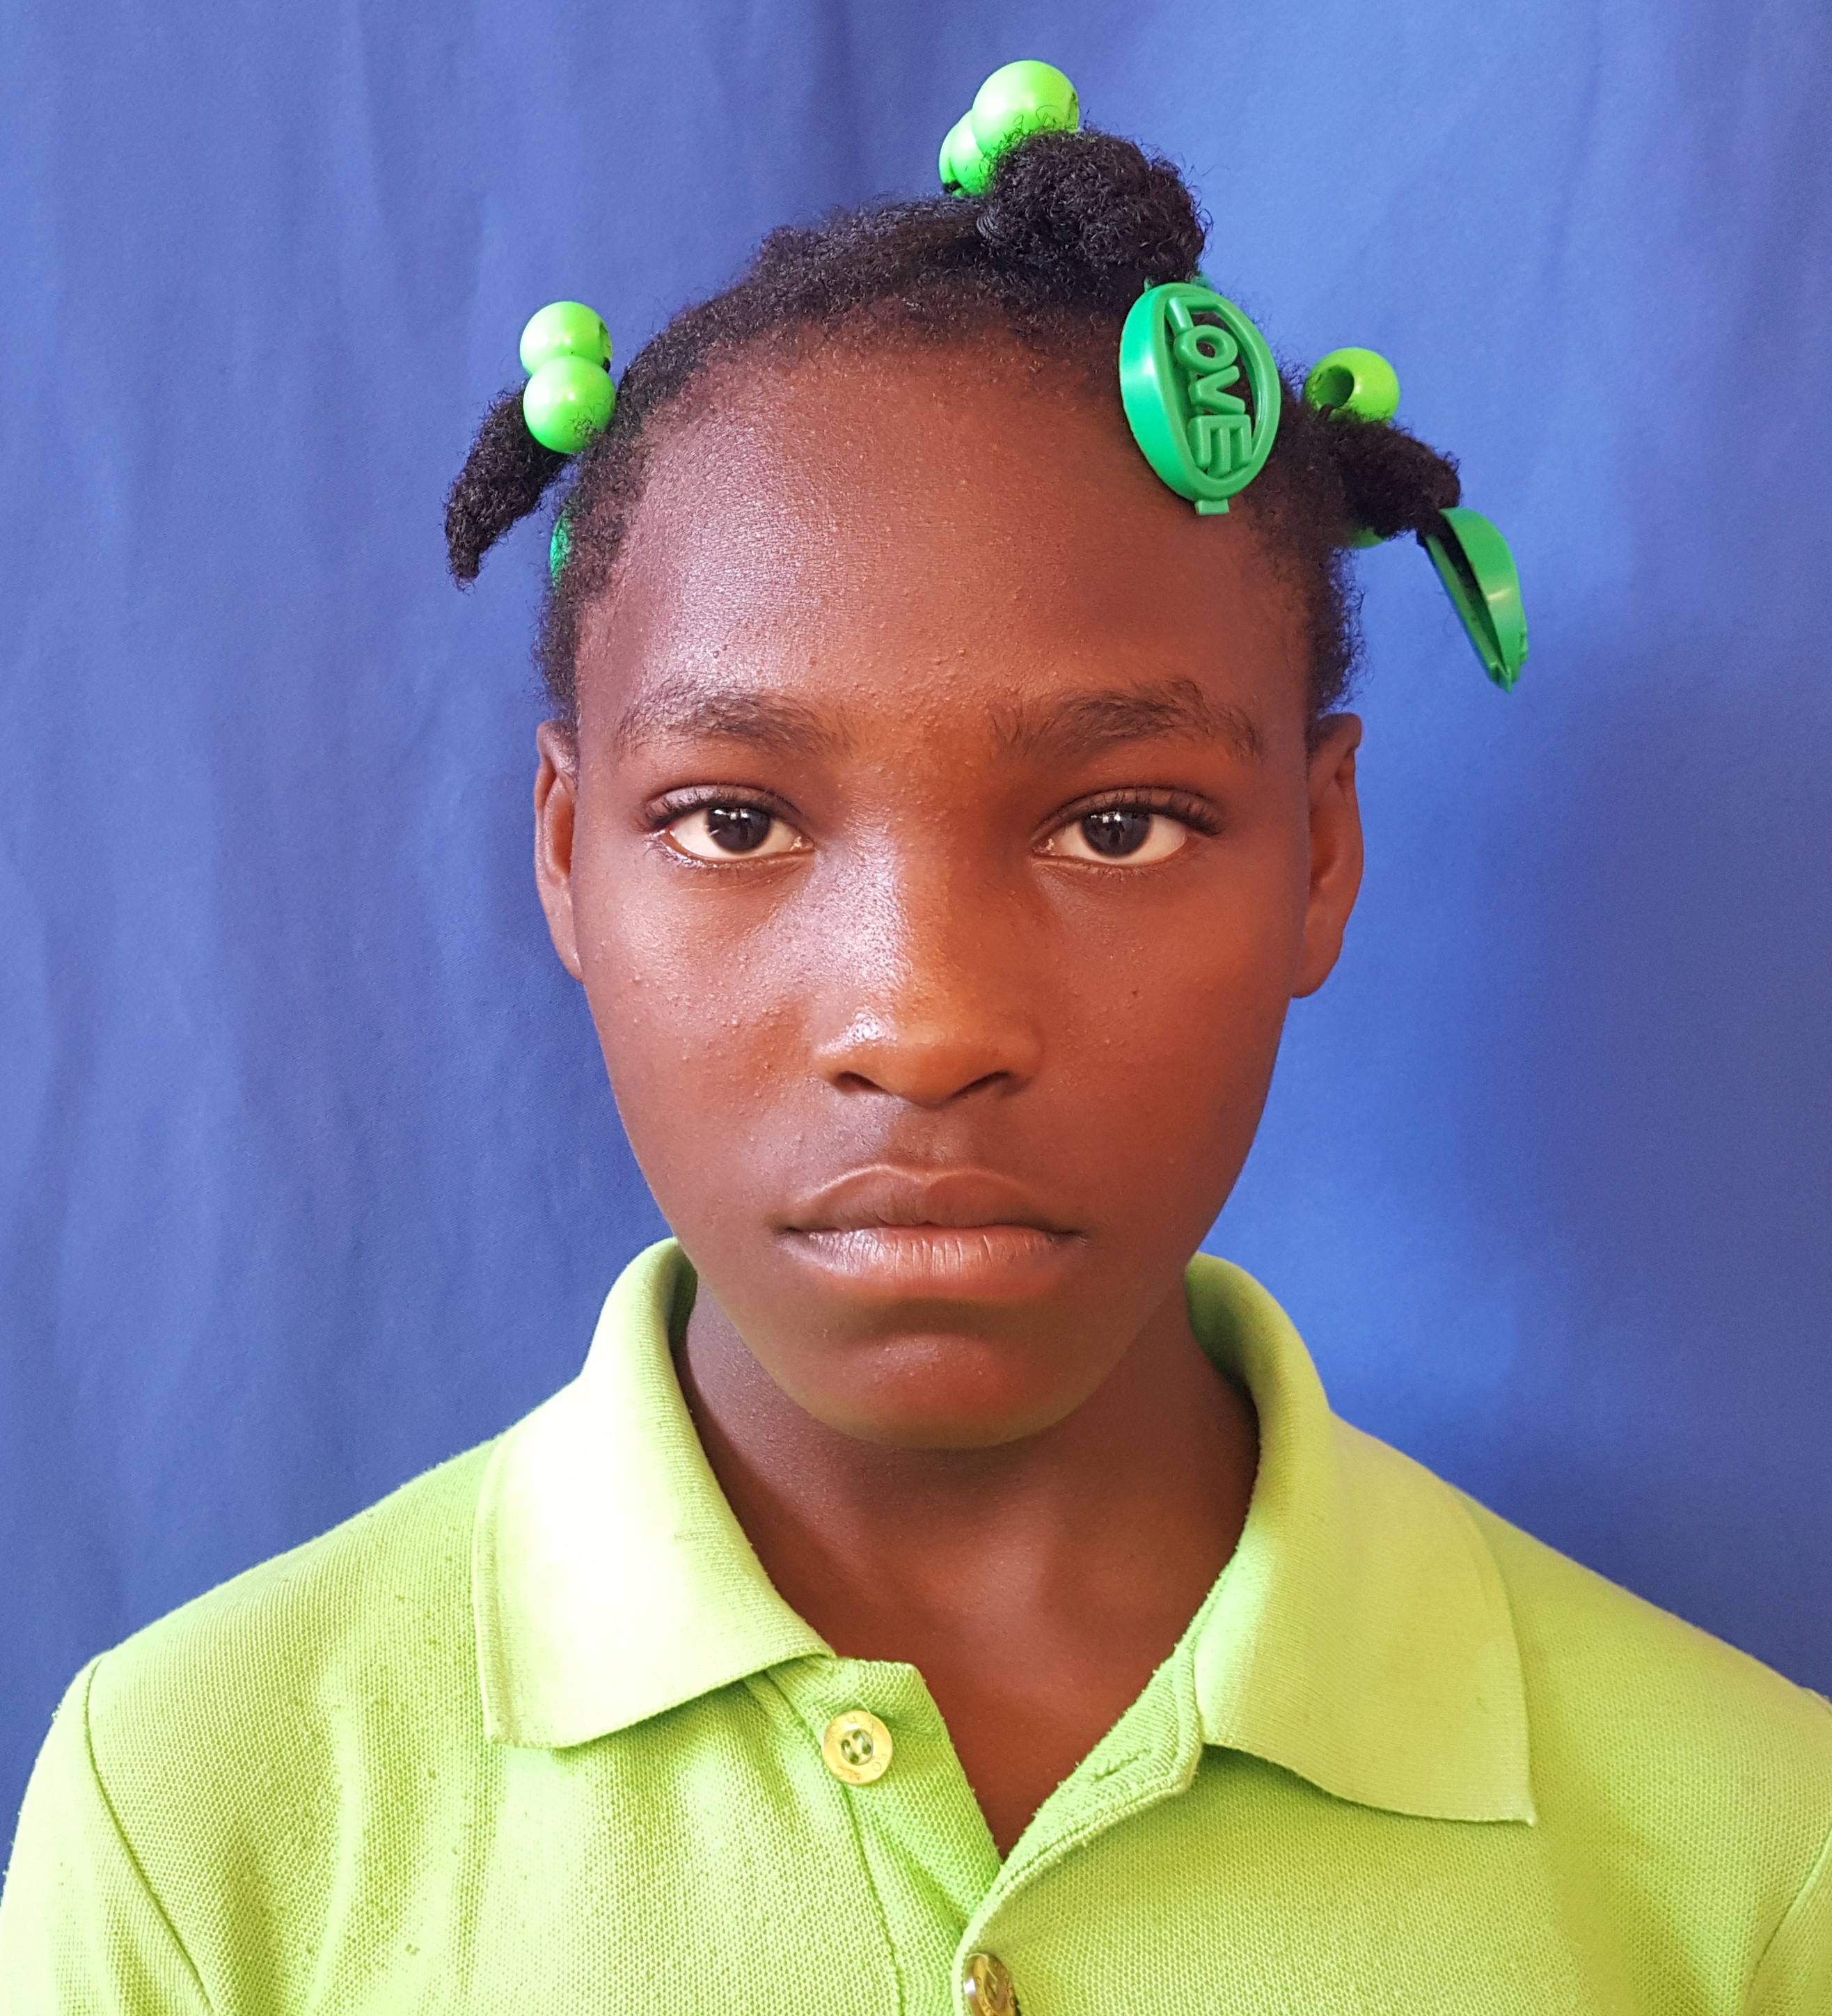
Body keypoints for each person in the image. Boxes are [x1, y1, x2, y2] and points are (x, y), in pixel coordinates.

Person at [2, 66, 1827, 2016]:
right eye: (735, 821)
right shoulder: (196, 1825)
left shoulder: (1751, 1863)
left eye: (1117, 827)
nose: (924, 1025)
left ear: (1321, 856)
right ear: (562, 856)